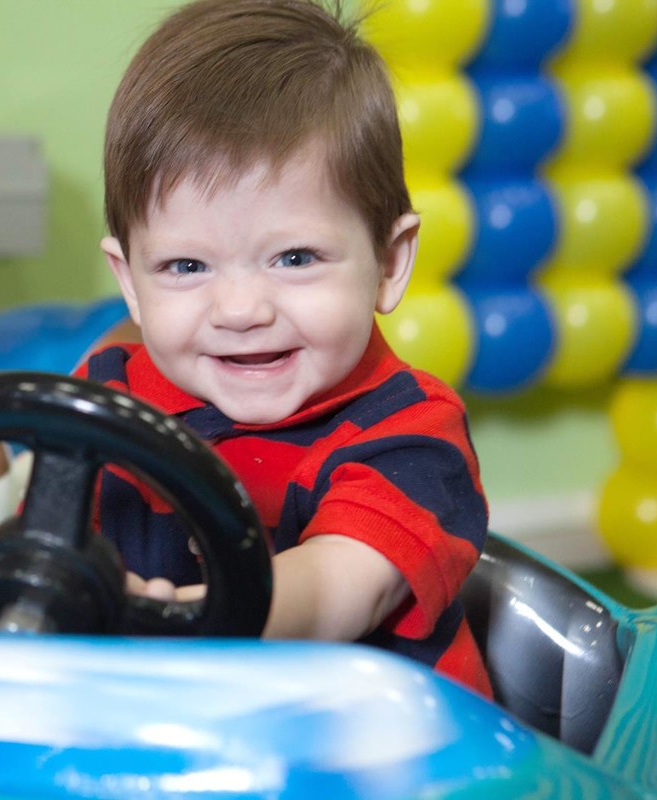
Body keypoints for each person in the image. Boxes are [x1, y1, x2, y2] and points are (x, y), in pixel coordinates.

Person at [76, 0, 492, 697]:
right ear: (131, 283)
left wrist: (183, 621)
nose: (241, 310)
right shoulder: (104, 399)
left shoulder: (414, 438)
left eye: (295, 258)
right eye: (185, 267)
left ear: (389, 263)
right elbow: (42, 532)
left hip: (382, 758)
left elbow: (335, 588)